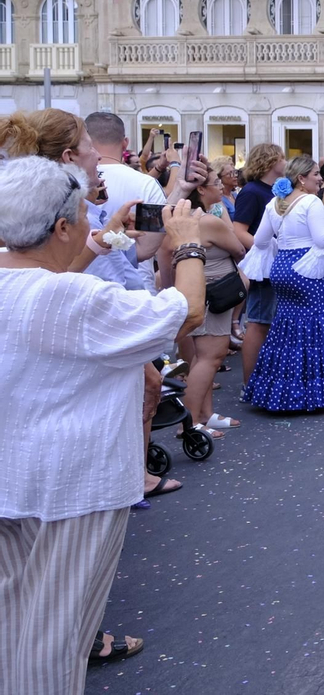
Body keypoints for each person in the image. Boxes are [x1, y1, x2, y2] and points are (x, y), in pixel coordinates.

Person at [0, 157, 205, 694]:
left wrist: (99, 243)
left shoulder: (26, 283)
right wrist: (185, 243)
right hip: (72, 486)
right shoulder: (69, 298)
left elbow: (42, 288)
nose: (94, 223)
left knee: (12, 620)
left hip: (11, 476)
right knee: (56, 637)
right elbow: (185, 310)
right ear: (62, 228)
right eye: (85, 216)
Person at [237, 156, 324, 412]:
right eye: (316, 174)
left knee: (286, 329)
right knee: (317, 328)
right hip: (306, 270)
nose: (320, 178)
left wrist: (283, 252)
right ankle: (317, 395)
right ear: (301, 178)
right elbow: (321, 241)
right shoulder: (310, 201)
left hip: (282, 269)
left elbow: (260, 241)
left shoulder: (275, 204)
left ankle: (281, 392)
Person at [175, 159, 248, 436]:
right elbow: (239, 248)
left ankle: (204, 413)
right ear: (201, 190)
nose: (221, 187)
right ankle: (190, 421)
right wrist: (224, 219)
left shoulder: (187, 217)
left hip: (199, 289)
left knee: (202, 357)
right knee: (211, 356)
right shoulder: (207, 220)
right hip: (214, 292)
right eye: (216, 183)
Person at [232, 143, 287, 379]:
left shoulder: (275, 190)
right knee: (258, 322)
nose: (285, 163)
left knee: (268, 322)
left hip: (276, 263)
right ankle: (250, 381)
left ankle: (263, 378)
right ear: (271, 161)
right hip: (264, 265)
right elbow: (239, 230)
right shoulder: (252, 191)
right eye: (282, 158)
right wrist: (264, 247)